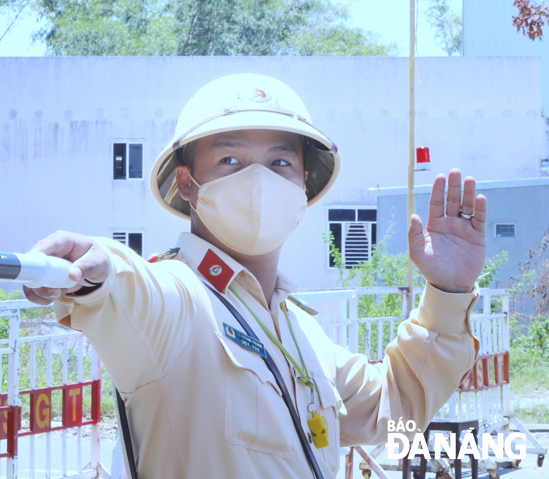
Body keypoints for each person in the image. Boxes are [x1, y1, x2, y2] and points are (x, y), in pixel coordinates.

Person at [24, 73, 486, 479]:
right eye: (231, 161)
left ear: (303, 183)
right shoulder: (178, 301)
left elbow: (390, 411)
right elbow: (130, 289)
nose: (259, 181)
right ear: (187, 183)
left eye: (280, 162)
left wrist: (448, 293)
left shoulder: (298, 330)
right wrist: (95, 269)